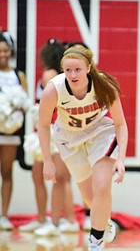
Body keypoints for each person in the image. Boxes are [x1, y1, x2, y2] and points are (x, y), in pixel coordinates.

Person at [38, 46, 128, 251]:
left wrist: (121, 159)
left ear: (88, 68)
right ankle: (104, 222)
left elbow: (121, 124)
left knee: (102, 186)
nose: (72, 74)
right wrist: (48, 161)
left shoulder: (103, 84)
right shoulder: (54, 89)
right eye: (68, 70)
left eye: (77, 69)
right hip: (69, 137)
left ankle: (95, 243)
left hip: (100, 132)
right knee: (90, 198)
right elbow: (43, 125)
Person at [19, 39, 80, 235]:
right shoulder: (57, 75)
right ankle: (45, 219)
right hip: (46, 130)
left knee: (57, 178)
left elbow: (51, 105)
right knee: (41, 175)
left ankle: (53, 222)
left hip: (53, 130)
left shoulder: (49, 75)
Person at [0, 31, 28, 230]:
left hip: (10, 131)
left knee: (7, 172)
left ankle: (4, 215)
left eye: (6, 50)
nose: (3, 54)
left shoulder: (18, 75)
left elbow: (25, 102)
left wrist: (15, 108)